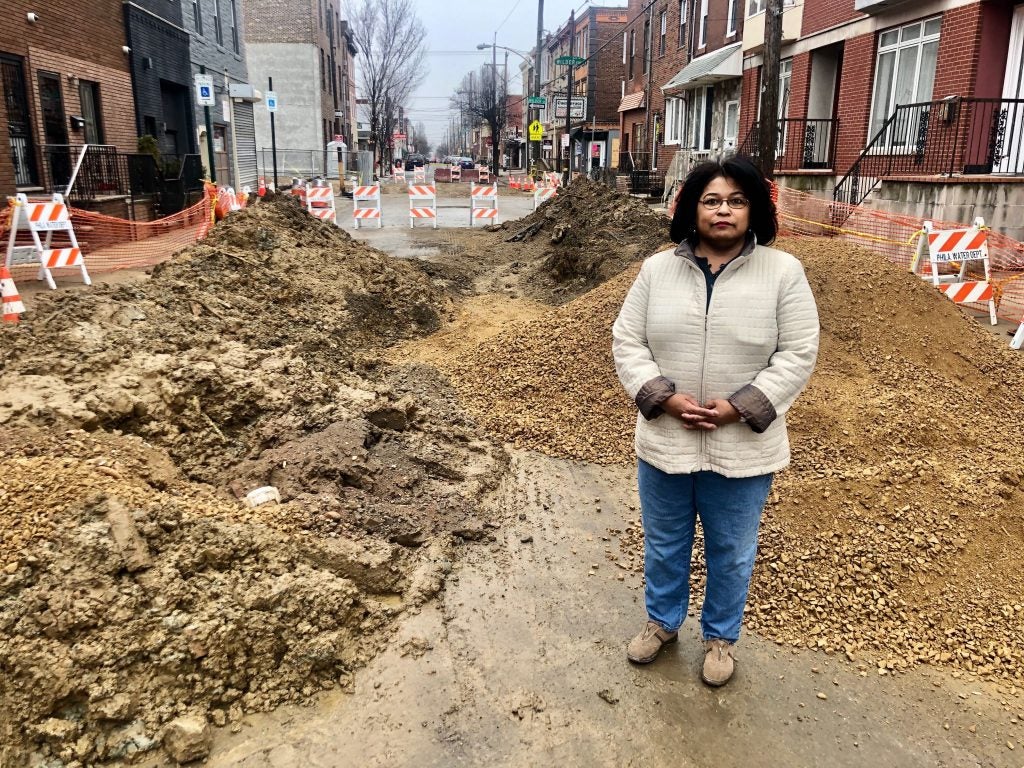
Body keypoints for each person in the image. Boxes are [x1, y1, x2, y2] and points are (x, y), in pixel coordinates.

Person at [611, 155, 819, 686]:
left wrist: (739, 407)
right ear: (692, 208)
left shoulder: (783, 272)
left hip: (743, 450)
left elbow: (797, 353)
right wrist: (664, 398)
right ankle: (662, 623)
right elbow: (627, 341)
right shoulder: (658, 270)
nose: (723, 210)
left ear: (753, 210)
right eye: (711, 200)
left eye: (736, 200)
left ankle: (721, 637)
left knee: (731, 550)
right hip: (666, 441)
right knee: (664, 541)